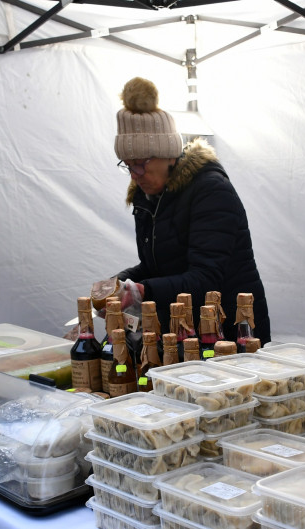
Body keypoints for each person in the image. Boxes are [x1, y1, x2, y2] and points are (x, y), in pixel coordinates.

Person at [109, 76, 271, 344]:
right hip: (185, 328)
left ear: (169, 155)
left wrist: (143, 289)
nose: (135, 174)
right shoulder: (147, 196)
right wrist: (121, 283)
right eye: (127, 165)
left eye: (141, 163)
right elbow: (157, 266)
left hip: (231, 330)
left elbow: (205, 278)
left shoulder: (211, 191)